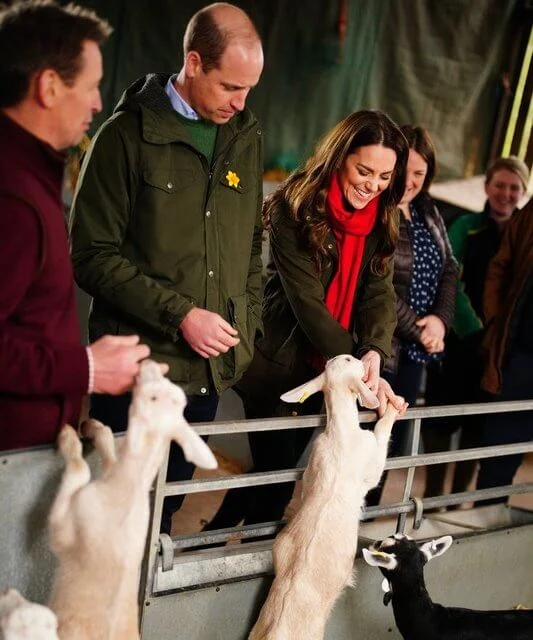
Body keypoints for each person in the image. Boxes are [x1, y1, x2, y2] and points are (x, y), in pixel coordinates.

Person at [69, 3, 265, 535]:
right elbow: (90, 255)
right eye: (230, 87)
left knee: (166, 512)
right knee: (113, 515)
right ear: (195, 63)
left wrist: (241, 325)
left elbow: (250, 246)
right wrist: (180, 315)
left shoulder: (245, 139)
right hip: (135, 372)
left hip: (202, 378)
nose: (241, 103)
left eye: (249, 89)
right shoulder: (124, 137)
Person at [202, 109, 409, 538]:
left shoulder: (381, 218)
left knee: (277, 474)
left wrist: (373, 350)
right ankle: (235, 569)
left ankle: (207, 542)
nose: (373, 186)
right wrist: (356, 366)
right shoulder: (293, 208)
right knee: (277, 480)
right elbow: (308, 303)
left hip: (331, 369)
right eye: (364, 171)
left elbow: (378, 293)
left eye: (385, 177)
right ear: (339, 157)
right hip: (280, 367)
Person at [0, 0, 152, 452]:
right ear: (48, 86)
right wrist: (85, 368)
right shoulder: (12, 196)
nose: (98, 102)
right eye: (91, 86)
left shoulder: (27, 171)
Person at [424, 156, 530, 498]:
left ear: (523, 192)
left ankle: (457, 499)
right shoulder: (465, 225)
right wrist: (476, 329)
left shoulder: (521, 227)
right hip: (460, 340)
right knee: (442, 420)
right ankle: (435, 494)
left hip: (496, 349)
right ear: (486, 187)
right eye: (499, 185)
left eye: (514, 187)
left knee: (477, 423)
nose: (505, 193)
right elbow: (450, 277)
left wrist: (496, 334)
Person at [365, 125, 457, 506]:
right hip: (381, 346)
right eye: (405, 170)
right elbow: (375, 285)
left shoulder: (427, 211)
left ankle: (364, 528)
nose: (411, 180)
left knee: (387, 446)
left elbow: (450, 266)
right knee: (365, 444)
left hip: (414, 354)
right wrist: (420, 330)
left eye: (420, 173)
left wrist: (440, 320)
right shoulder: (378, 209)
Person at [475, 197, 533, 505]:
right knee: (498, 456)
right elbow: (499, 267)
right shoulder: (528, 214)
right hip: (520, 356)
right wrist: (497, 321)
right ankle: (485, 533)